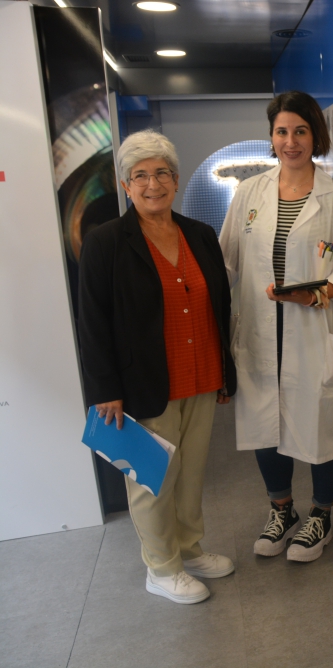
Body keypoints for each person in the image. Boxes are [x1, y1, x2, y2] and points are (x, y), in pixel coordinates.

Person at [78, 130, 237, 604]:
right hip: (143, 384)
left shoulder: (199, 234)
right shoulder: (105, 242)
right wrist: (105, 389)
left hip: (201, 374)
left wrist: (224, 372)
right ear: (126, 185)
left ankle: (189, 550)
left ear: (176, 178)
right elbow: (92, 320)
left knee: (190, 476)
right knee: (153, 479)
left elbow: (219, 307)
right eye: (141, 175)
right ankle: (161, 568)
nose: (153, 184)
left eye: (162, 173)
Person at [220, 91, 333, 563]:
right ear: (272, 137)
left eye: (300, 131)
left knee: (323, 422)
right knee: (266, 423)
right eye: (282, 131)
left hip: (315, 329)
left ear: (315, 136)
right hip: (261, 331)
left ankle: (321, 516)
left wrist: (318, 294)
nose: (291, 141)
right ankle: (281, 510)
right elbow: (226, 262)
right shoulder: (249, 194)